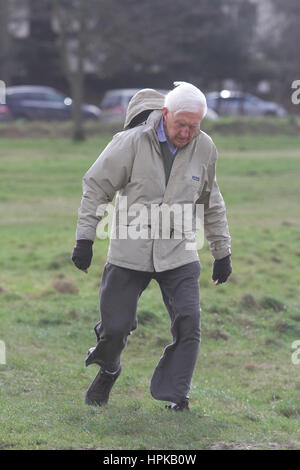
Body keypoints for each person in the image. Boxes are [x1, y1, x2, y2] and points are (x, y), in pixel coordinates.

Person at [72, 82, 232, 411]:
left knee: (189, 323)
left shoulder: (205, 148)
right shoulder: (129, 143)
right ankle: (109, 368)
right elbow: (96, 186)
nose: (187, 133)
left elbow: (211, 202)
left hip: (179, 251)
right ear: (165, 114)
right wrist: (85, 239)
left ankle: (176, 394)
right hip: (130, 249)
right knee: (115, 328)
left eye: (195, 126)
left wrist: (222, 252)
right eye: (181, 125)